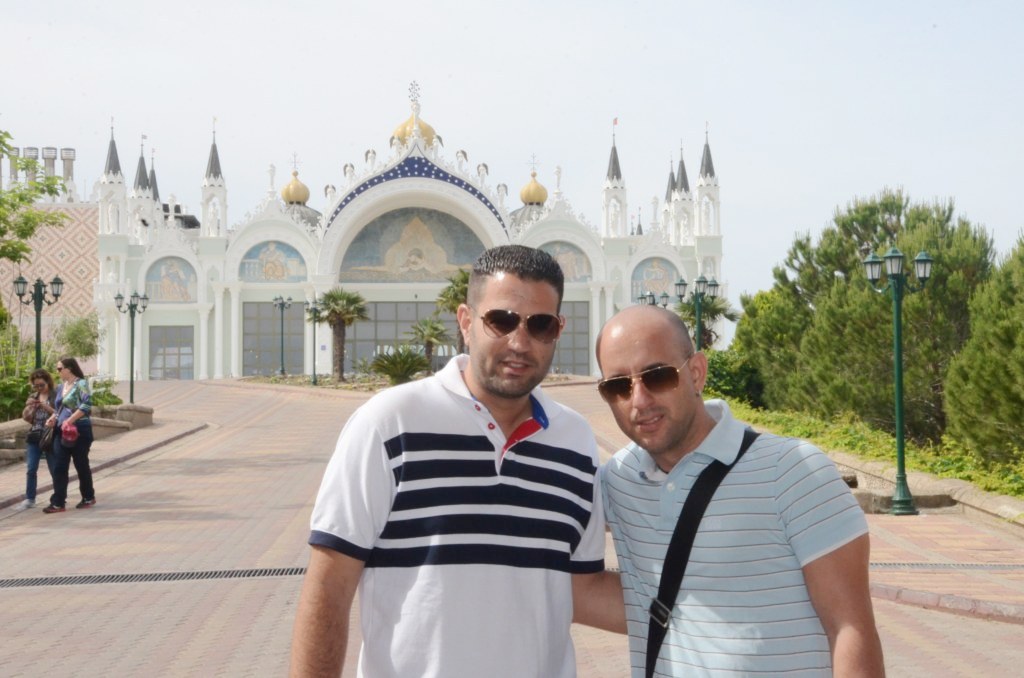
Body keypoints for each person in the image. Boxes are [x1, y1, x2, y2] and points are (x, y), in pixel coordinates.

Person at [290, 244, 622, 677]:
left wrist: (698, 607)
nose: (520, 342)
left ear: (558, 329)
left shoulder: (574, 440)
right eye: (501, 321)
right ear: (466, 322)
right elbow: (329, 588)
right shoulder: (389, 424)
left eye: (540, 325)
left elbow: (579, 588)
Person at [596, 305, 884, 677]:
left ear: (696, 373)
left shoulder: (793, 471)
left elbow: (850, 627)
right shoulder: (618, 480)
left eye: (658, 376)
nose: (639, 400)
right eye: (618, 386)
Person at [43, 357, 96, 514]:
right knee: (59, 466)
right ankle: (58, 502)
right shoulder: (61, 387)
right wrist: (53, 418)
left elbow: (86, 404)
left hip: (80, 430)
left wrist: (70, 420)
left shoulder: (81, 384)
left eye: (60, 369)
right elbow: (59, 409)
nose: (57, 371)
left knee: (81, 464)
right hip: (61, 431)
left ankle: (88, 496)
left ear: (69, 369)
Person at [16, 368, 57, 510]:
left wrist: (46, 407)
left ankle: (58, 497)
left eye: (41, 385)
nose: (39, 388)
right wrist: (30, 406)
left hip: (50, 436)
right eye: (36, 385)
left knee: (54, 468)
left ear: (48, 382)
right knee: (31, 468)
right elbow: (26, 418)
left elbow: (61, 413)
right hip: (34, 436)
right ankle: (30, 498)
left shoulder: (55, 395)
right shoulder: (34, 396)